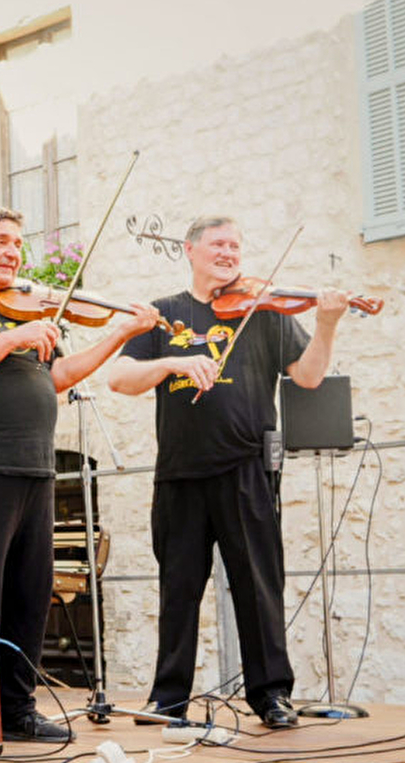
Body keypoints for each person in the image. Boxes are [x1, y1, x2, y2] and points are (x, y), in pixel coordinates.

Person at [0, 206, 158, 742]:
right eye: (0, 241)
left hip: (33, 467)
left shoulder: (23, 312)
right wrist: (10, 340)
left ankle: (17, 709)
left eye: (18, 245)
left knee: (29, 591)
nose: (13, 253)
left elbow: (59, 376)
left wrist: (118, 334)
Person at [107, 215, 349, 729]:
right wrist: (173, 365)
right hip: (179, 472)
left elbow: (308, 377)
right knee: (178, 588)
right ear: (191, 251)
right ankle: (168, 698)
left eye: (236, 245)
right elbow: (121, 379)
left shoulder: (265, 312)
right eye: (218, 244)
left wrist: (327, 321)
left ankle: (271, 696)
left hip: (247, 470)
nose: (229, 253)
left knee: (259, 586)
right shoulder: (167, 314)